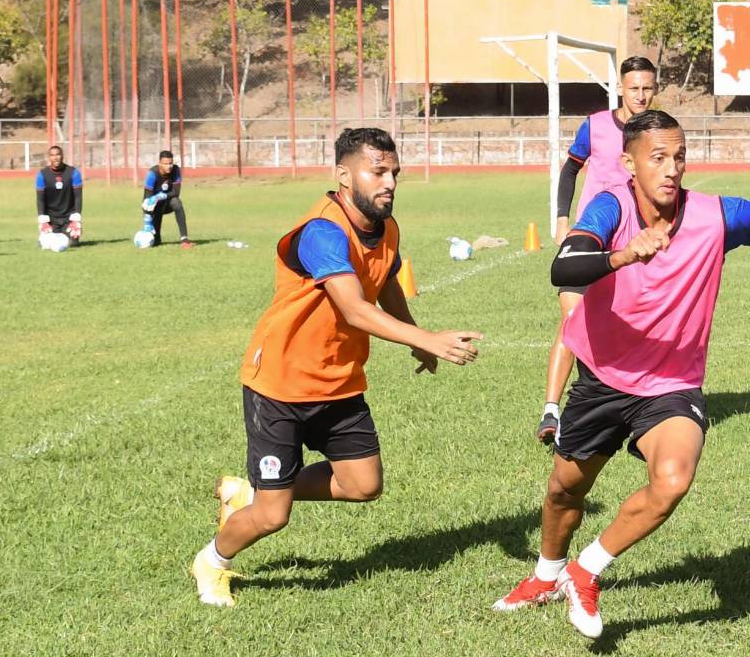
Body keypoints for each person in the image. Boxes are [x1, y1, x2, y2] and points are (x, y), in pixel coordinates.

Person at [494, 110, 750, 639]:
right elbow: (562, 269)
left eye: (679, 157)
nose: (671, 168)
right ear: (628, 162)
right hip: (602, 377)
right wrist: (622, 255)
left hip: (672, 384)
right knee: (565, 491)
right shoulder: (609, 207)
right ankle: (547, 576)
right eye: (658, 157)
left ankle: (585, 570)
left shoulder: (714, 216)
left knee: (673, 479)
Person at [190, 127, 483, 607]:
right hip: (280, 384)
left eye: (394, 173)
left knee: (363, 484)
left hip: (340, 380)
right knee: (272, 516)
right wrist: (426, 338)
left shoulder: (386, 226)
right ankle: (212, 561)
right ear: (343, 175)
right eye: (377, 172)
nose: (388, 183)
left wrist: (416, 339)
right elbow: (353, 309)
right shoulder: (322, 231)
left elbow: (385, 280)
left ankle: (254, 490)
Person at [537, 56, 659, 445]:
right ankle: (552, 411)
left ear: (655, 89)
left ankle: (635, 404)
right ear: (621, 87)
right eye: (633, 87)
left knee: (635, 322)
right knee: (573, 319)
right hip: (591, 238)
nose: (640, 95)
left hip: (635, 242)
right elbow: (571, 168)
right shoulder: (596, 125)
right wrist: (561, 218)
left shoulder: (656, 131)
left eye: (647, 88)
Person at [35, 145, 83, 247]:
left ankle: (70, 235)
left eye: (58, 154)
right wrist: (42, 219)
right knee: (45, 245)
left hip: (68, 218)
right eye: (52, 155)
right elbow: (40, 199)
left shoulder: (74, 173)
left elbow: (78, 197)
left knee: (72, 244)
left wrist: (76, 218)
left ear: (62, 156)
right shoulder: (42, 174)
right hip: (51, 219)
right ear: (49, 158)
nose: (55, 157)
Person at [142, 150, 190, 247]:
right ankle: (156, 237)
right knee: (156, 242)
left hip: (168, 203)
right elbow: (146, 199)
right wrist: (147, 221)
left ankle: (184, 239)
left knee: (177, 202)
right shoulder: (152, 174)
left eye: (170, 163)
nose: (169, 166)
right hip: (155, 206)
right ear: (159, 163)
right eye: (165, 164)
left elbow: (176, 192)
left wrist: (162, 195)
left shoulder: (176, 170)